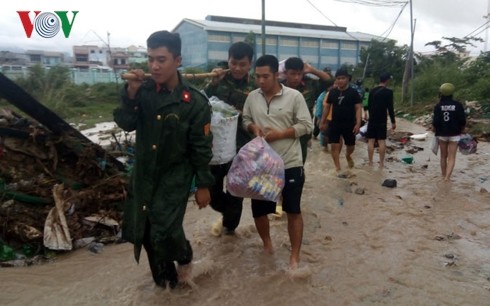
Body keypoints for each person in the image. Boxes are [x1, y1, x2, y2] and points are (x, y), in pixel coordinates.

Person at [113, 30, 214, 289]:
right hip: (145, 174)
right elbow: (125, 122)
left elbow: (200, 147)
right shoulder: (143, 91)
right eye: (150, 60)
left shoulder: (194, 103)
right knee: (144, 231)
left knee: (165, 229)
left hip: (175, 177)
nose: (154, 66)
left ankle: (184, 255)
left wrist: (203, 185)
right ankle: (165, 286)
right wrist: (131, 93)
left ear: (177, 60)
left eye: (161, 59)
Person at [242, 54, 313, 269]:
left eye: (265, 76)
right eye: (257, 77)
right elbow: (245, 119)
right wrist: (253, 128)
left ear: (276, 75)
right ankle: (268, 245)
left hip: (289, 163)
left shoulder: (294, 97)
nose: (261, 81)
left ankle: (294, 257)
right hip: (262, 164)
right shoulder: (252, 97)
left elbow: (307, 126)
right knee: (260, 210)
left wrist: (281, 134)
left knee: (293, 210)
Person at [204, 41, 255, 235]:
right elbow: (201, 99)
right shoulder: (218, 79)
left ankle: (229, 232)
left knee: (236, 192)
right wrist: (213, 82)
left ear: (250, 63)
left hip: (242, 147)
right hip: (216, 146)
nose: (237, 68)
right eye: (233, 63)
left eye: (242, 64)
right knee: (211, 191)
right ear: (228, 60)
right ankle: (229, 213)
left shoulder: (255, 86)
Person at [282, 57, 332, 164]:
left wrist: (312, 70)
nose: (296, 77)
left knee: (299, 165)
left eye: (299, 74)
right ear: (286, 73)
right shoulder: (277, 86)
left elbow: (329, 81)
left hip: (302, 135)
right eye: (293, 74)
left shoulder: (310, 85)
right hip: (281, 133)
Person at [319, 69, 362, 172]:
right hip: (335, 123)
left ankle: (348, 155)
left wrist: (358, 123)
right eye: (338, 78)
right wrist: (322, 122)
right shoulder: (332, 92)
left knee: (351, 146)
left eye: (343, 78)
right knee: (334, 146)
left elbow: (358, 108)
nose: (341, 80)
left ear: (348, 79)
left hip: (349, 124)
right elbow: (327, 108)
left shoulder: (353, 92)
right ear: (336, 80)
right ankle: (338, 168)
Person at [432, 83, 466, 181]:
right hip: (455, 134)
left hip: (442, 134)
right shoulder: (458, 105)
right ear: (452, 93)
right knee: (451, 157)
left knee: (443, 156)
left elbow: (435, 122)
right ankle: (447, 178)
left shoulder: (438, 106)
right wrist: (462, 129)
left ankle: (443, 175)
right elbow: (462, 121)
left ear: (441, 93)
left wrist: (436, 129)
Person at [366, 73, 396, 168]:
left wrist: (370, 116)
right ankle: (381, 164)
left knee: (370, 140)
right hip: (382, 119)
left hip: (372, 119)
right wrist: (393, 121)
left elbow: (369, 105)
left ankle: (370, 162)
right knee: (381, 141)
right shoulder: (389, 92)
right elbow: (390, 108)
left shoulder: (372, 91)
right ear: (387, 80)